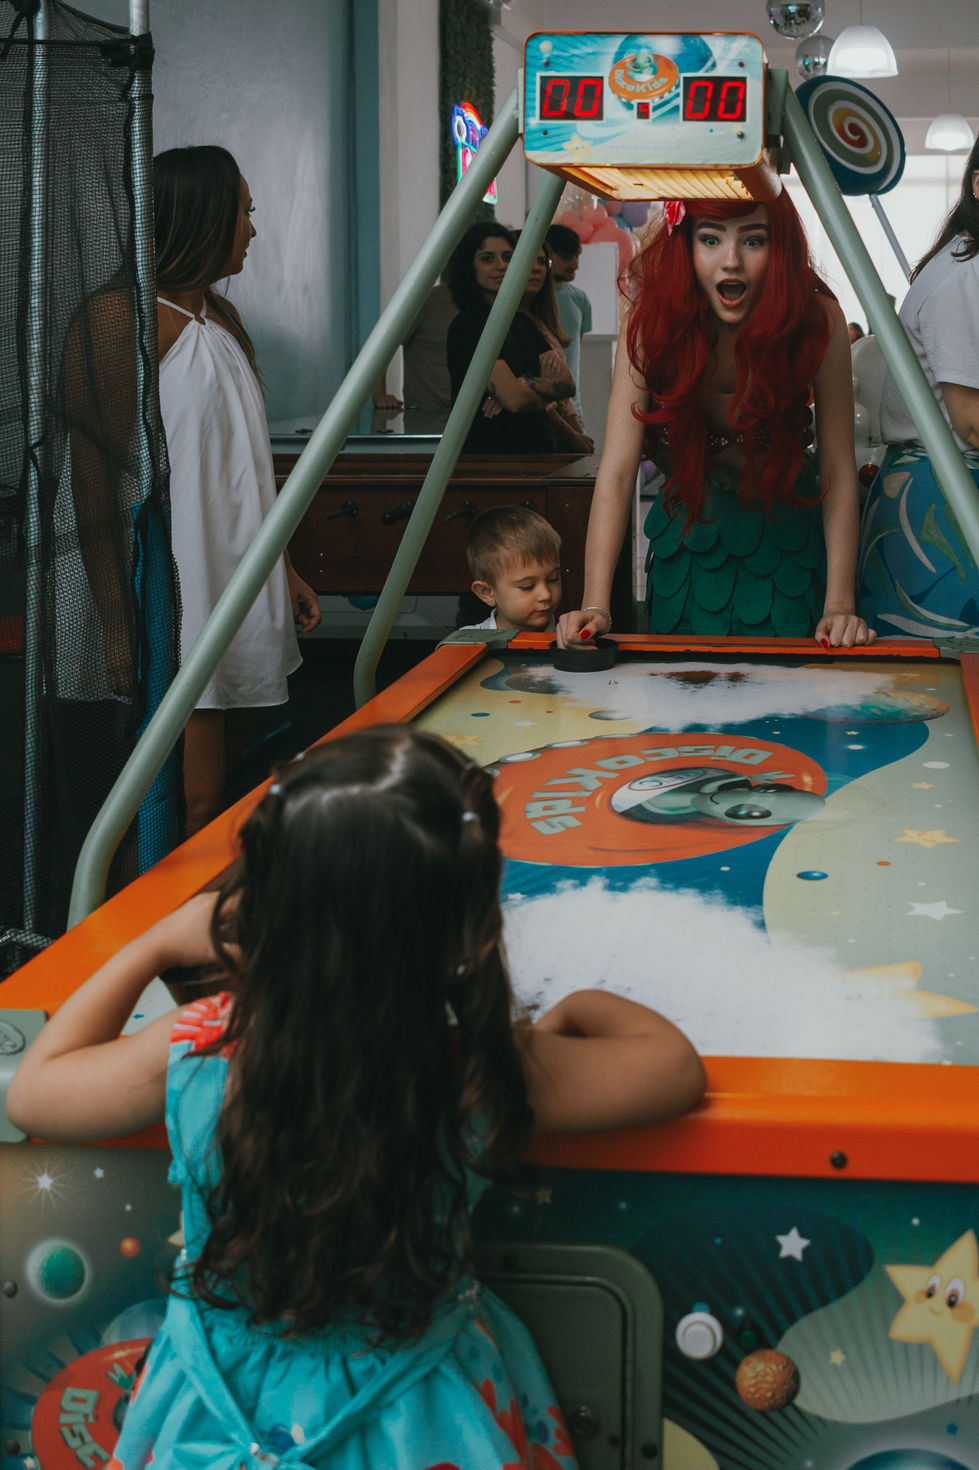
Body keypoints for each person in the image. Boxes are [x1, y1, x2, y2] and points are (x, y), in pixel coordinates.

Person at [7, 725, 705, 1470]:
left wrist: (151, 946)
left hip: (217, 1410)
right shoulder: (475, 1066)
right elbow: (671, 1067)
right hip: (422, 1419)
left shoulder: (199, 1045)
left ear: (262, 902)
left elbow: (35, 1094)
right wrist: (572, 1011)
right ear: (463, 926)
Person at [556, 195, 876, 648]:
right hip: (688, 549)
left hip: (790, 548)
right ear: (685, 244)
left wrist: (840, 604)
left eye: (753, 240)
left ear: (779, 247)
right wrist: (595, 603)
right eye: (710, 239)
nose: (731, 261)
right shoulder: (650, 324)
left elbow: (838, 469)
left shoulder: (817, 319)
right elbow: (618, 470)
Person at [154, 146, 321, 836]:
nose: (253, 229)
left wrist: (284, 567)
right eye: (243, 212)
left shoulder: (223, 320)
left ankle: (216, 892)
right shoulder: (133, 322)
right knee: (191, 796)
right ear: (201, 217)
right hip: (182, 576)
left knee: (227, 782)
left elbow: (248, 463)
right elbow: (94, 482)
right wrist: (111, 614)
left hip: (241, 569)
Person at [858, 139, 979, 638]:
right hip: (942, 502)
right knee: (942, 672)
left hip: (945, 488)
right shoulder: (965, 273)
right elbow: (971, 420)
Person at [445, 222, 574, 455]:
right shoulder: (468, 326)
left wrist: (525, 384)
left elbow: (567, 385)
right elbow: (515, 400)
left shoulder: (521, 321)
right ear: (469, 267)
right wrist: (542, 391)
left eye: (507, 257)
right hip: (493, 459)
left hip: (540, 454)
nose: (501, 266)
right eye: (488, 259)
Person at [517, 237, 594, 456]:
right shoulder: (510, 322)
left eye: (542, 262)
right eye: (530, 261)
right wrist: (570, 434)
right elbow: (519, 393)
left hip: (566, 416)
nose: (536, 269)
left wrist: (575, 430)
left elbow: (567, 382)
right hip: (534, 434)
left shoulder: (543, 318)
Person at [372, 281, 458, 433]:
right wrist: (380, 395)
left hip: (483, 416)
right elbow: (379, 344)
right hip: (428, 422)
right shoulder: (430, 300)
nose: (500, 269)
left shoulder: (499, 304)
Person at [461, 506, 563, 632]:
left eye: (553, 579)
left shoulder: (571, 638)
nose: (546, 595)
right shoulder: (465, 642)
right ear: (487, 592)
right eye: (527, 586)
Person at [546, 223, 594, 426]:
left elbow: (574, 352)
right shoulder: (525, 300)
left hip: (574, 408)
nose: (575, 265)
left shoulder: (580, 298)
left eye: (577, 257)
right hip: (540, 408)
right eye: (567, 258)